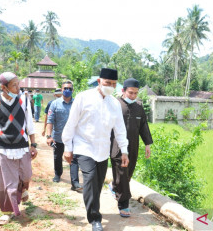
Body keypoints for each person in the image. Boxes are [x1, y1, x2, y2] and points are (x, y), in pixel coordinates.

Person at [62, 68, 129, 231]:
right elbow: (71, 123)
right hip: (83, 147)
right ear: (99, 81)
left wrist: (124, 150)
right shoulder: (83, 98)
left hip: (102, 151)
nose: (111, 86)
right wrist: (67, 147)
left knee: (97, 184)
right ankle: (95, 219)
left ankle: (93, 206)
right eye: (108, 83)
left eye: (114, 84)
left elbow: (120, 129)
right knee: (91, 179)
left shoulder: (114, 104)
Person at [0, 72, 38, 225]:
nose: (18, 87)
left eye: (18, 84)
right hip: (2, 149)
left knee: (25, 175)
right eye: (14, 85)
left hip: (22, 148)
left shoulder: (24, 100)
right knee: (4, 182)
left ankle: (23, 188)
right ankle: (7, 211)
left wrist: (33, 144)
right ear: (4, 88)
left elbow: (30, 125)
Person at [109, 78, 153, 217]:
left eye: (135, 93)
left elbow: (144, 126)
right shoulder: (114, 104)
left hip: (133, 146)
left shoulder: (139, 107)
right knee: (122, 172)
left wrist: (147, 144)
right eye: (130, 93)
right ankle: (124, 204)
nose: (133, 96)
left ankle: (115, 187)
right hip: (117, 146)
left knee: (128, 173)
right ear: (123, 91)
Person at [46, 82, 81, 191]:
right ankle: (57, 174)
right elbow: (50, 121)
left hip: (73, 138)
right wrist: (48, 136)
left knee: (74, 159)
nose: (67, 90)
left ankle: (75, 182)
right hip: (58, 137)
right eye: (65, 88)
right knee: (57, 157)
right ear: (61, 89)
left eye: (70, 88)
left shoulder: (77, 104)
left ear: (73, 90)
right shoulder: (54, 104)